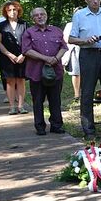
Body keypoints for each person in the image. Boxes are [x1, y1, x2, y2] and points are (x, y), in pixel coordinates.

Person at [69, 0, 101, 140]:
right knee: (87, 92)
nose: (95, 1)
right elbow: (71, 39)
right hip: (88, 54)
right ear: (86, 0)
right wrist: (85, 40)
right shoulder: (79, 15)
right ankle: (89, 130)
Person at [21, 7, 68, 135]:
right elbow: (26, 50)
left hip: (55, 71)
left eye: (42, 14)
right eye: (36, 15)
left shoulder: (56, 31)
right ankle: (40, 126)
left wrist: (55, 58)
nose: (40, 17)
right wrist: (46, 58)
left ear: (46, 15)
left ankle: (56, 125)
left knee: (55, 100)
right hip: (36, 72)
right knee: (38, 100)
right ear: (33, 18)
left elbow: (64, 47)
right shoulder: (28, 33)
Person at [0, 1, 29, 114]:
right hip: (7, 57)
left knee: (21, 80)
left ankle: (21, 106)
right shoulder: (1, 25)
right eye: (9, 10)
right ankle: (12, 107)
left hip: (22, 56)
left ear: (18, 11)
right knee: (10, 81)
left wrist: (23, 54)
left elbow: (29, 41)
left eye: (14, 9)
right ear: (5, 12)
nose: (12, 12)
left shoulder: (24, 24)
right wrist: (9, 54)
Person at [61, 19, 81, 103]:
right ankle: (76, 95)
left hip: (88, 50)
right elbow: (65, 38)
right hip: (75, 50)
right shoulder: (70, 25)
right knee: (76, 73)